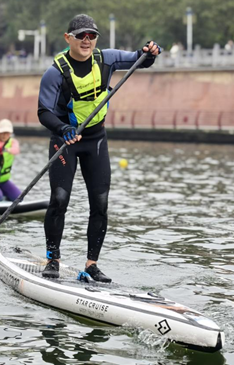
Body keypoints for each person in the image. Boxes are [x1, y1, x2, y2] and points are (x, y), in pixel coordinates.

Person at [37, 14, 161, 282]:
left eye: (91, 36)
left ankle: (91, 264)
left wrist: (150, 51)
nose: (87, 40)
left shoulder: (107, 59)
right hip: (66, 140)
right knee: (59, 200)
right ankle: (52, 260)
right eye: (81, 35)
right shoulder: (55, 72)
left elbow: (141, 59)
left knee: (101, 203)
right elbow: (44, 112)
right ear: (68, 39)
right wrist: (63, 129)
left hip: (96, 140)